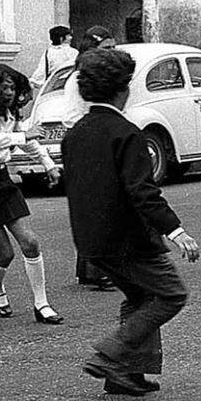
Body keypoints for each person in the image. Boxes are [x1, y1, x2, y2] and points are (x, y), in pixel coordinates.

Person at [62, 48, 200, 396]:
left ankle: (126, 374)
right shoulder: (126, 132)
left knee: (139, 298)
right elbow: (143, 192)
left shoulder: (75, 133)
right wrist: (176, 230)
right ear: (123, 90)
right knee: (171, 295)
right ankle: (111, 354)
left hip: (92, 240)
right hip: (129, 238)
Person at [0, 64, 63, 324]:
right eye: (3, 87)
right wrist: (22, 135)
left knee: (30, 242)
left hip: (2, 179)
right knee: (5, 254)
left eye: (12, 87)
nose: (9, 93)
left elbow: (31, 143)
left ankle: (42, 304)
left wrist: (49, 165)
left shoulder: (11, 114)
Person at [63, 25, 118, 290]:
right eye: (106, 49)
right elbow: (72, 115)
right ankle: (98, 270)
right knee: (97, 206)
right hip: (87, 143)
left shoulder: (102, 77)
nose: (112, 53)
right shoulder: (79, 78)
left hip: (98, 139)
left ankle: (90, 269)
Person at [30, 26, 78, 90]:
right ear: (61, 38)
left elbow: (41, 72)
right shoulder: (73, 52)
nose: (71, 38)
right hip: (69, 87)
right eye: (68, 36)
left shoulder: (48, 52)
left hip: (53, 87)